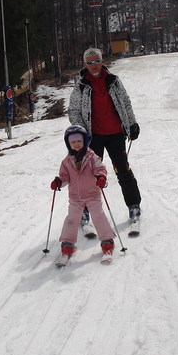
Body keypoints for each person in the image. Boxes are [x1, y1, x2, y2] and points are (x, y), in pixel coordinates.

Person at [68, 47, 142, 233]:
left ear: (102, 61)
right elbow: (74, 110)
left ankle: (134, 206)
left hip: (116, 134)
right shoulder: (81, 86)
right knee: (88, 176)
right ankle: (84, 213)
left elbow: (125, 102)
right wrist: (80, 132)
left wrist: (132, 123)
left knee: (123, 170)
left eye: (96, 61)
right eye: (89, 62)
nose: (93, 66)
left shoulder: (114, 81)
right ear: (85, 65)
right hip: (93, 137)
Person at [50, 125, 116, 261]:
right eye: (73, 142)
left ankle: (107, 241)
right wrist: (58, 182)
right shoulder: (66, 161)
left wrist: (101, 177)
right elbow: (64, 177)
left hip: (92, 194)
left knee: (98, 217)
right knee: (72, 220)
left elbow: (100, 168)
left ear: (85, 141)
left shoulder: (92, 157)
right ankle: (68, 243)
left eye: (79, 141)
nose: (76, 144)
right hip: (75, 198)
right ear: (68, 144)